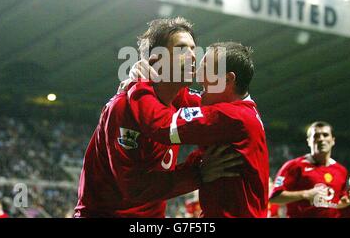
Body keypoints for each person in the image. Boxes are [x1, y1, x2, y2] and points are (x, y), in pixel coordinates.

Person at [74, 17, 240, 218]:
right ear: (155, 60)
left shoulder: (182, 99)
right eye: (181, 49)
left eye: (193, 49)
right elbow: (134, 189)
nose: (192, 56)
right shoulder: (123, 108)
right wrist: (198, 172)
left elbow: (228, 112)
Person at [127, 42, 269, 217]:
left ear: (228, 79)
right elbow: (185, 97)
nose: (199, 76)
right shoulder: (236, 109)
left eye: (206, 68)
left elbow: (162, 126)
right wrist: (161, 72)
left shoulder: (232, 117)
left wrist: (139, 84)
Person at [269, 121, 350, 217]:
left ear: (333, 140)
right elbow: (274, 197)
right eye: (316, 136)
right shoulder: (293, 166)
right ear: (309, 141)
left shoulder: (341, 170)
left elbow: (336, 202)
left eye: (325, 135)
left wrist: (344, 201)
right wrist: (305, 194)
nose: (321, 139)